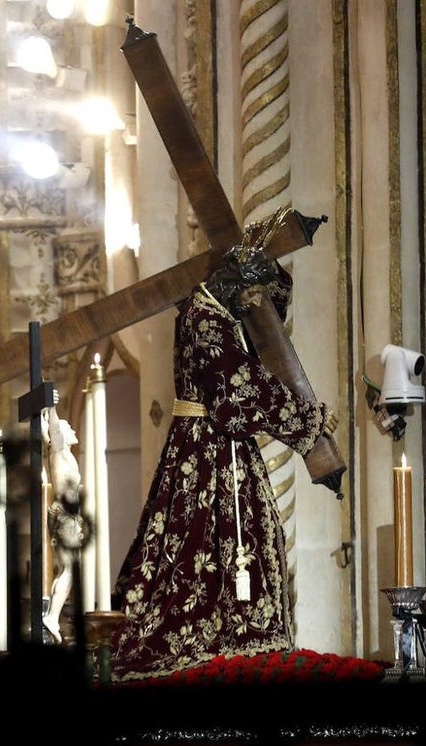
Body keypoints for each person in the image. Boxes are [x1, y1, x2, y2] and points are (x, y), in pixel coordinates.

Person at [109, 217, 338, 683]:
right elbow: (236, 394)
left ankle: (241, 633)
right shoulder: (205, 314)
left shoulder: (215, 310)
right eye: (253, 295)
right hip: (208, 448)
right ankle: (224, 634)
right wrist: (306, 419)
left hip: (217, 446)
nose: (256, 306)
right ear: (236, 281)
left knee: (230, 539)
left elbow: (249, 369)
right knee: (201, 542)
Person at [39, 391, 86, 644]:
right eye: (69, 428)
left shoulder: (60, 453)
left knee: (66, 568)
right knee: (70, 568)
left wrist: (46, 414)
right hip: (65, 515)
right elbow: (54, 430)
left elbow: (49, 429)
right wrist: (51, 406)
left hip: (65, 515)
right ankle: (52, 617)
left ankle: (52, 616)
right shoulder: (59, 450)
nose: (72, 431)